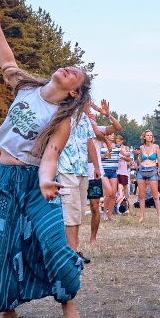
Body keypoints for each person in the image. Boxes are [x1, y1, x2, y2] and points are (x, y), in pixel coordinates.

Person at [0, 7, 90, 318]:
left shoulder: (61, 119)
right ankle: (7, 308)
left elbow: (50, 156)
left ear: (74, 91)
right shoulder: (26, 89)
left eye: (75, 73)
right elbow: (7, 62)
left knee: (53, 241)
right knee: (1, 242)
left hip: (37, 182)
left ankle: (68, 304)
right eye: (69, 67)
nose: (69, 69)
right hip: (5, 177)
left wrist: (46, 181)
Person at [58, 101, 100, 264]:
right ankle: (71, 252)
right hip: (65, 167)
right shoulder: (59, 114)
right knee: (70, 210)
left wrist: (96, 166)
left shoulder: (84, 118)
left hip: (82, 169)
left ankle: (73, 248)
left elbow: (90, 142)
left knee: (79, 211)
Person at [87, 101, 120, 244]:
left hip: (94, 173)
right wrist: (105, 141)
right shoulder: (74, 127)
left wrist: (108, 115)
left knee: (95, 207)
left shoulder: (98, 129)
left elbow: (117, 127)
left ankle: (93, 237)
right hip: (75, 171)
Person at [100, 131, 129, 221]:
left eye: (113, 134)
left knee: (113, 194)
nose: (112, 136)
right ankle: (104, 213)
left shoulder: (117, 147)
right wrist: (105, 154)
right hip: (103, 171)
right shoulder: (100, 146)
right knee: (109, 192)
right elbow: (98, 158)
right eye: (110, 134)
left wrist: (137, 152)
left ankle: (110, 216)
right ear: (105, 135)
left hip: (113, 172)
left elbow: (126, 154)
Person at [136, 130, 160, 223]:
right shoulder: (141, 147)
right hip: (142, 170)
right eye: (147, 135)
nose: (149, 136)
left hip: (152, 170)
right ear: (144, 137)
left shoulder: (156, 147)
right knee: (141, 195)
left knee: (155, 195)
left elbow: (159, 160)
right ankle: (142, 216)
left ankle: (159, 217)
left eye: (151, 135)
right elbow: (140, 160)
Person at [115, 134, 133, 211]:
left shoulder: (125, 148)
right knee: (116, 186)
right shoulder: (114, 147)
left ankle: (126, 201)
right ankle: (117, 200)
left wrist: (122, 157)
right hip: (116, 169)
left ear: (122, 141)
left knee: (125, 186)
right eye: (116, 141)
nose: (117, 143)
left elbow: (129, 159)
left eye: (119, 141)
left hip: (123, 170)